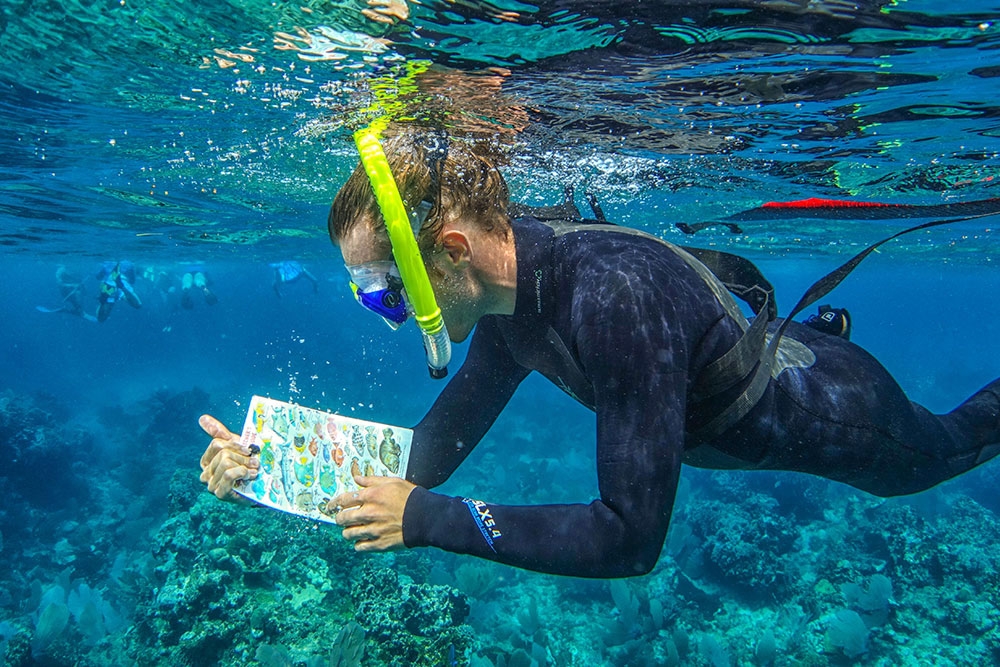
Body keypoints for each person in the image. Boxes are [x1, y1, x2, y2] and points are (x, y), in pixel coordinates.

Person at [199, 132, 999, 578]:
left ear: (448, 252)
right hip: (752, 356)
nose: (388, 315)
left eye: (384, 290)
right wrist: (268, 464)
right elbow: (426, 455)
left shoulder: (610, 298)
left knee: (946, 449)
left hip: (840, 410)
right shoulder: (510, 301)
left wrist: (433, 522)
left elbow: (628, 536)